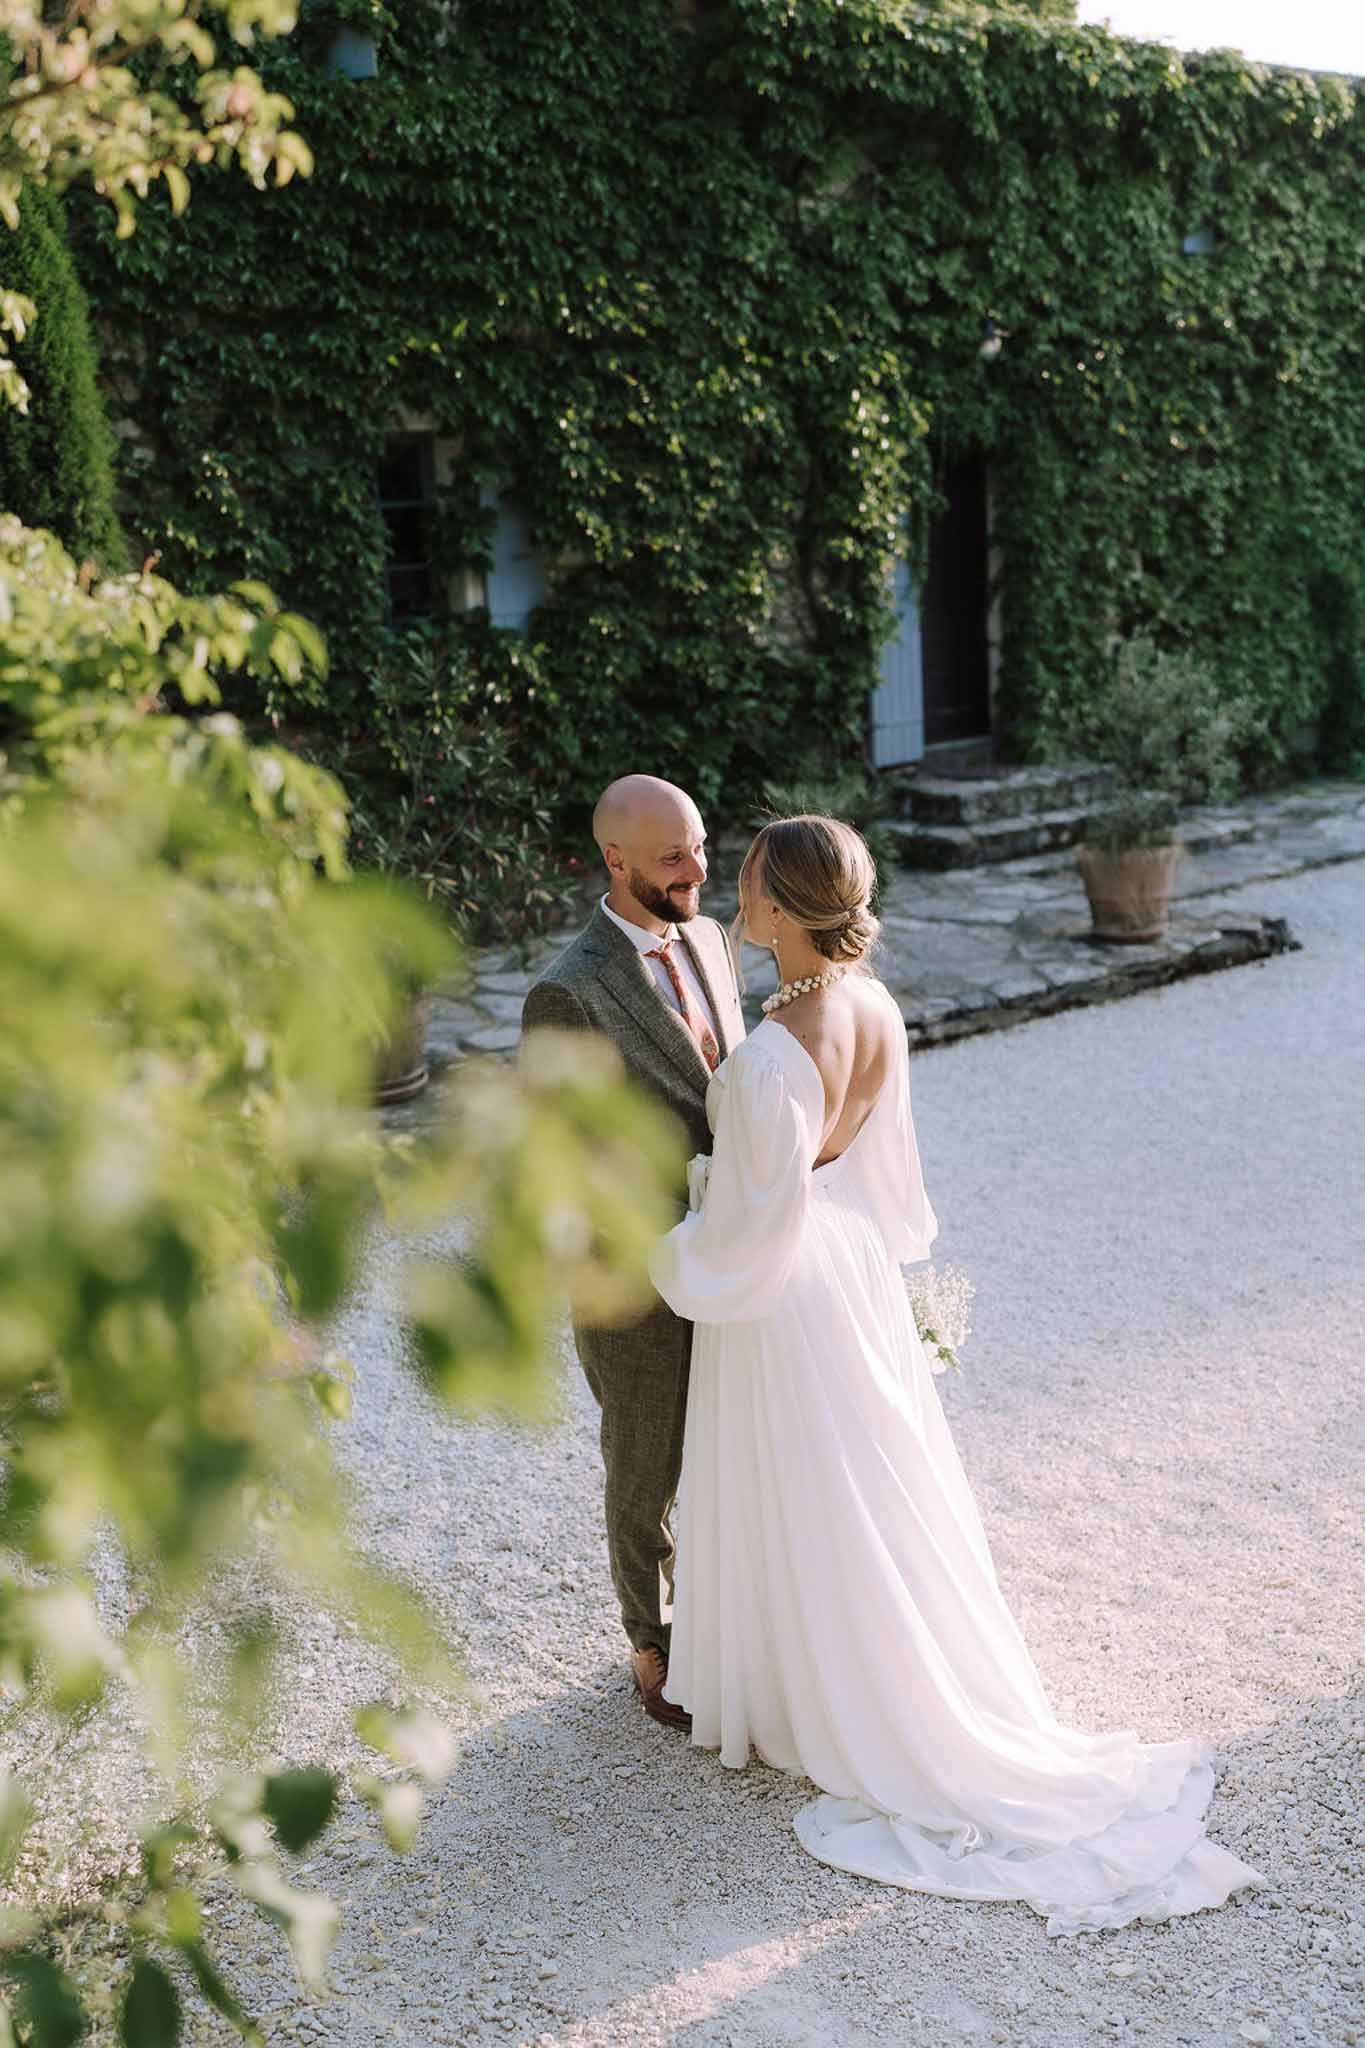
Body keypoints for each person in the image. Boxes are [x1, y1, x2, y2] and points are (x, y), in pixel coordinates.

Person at [647, 813, 1267, 1936]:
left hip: (783, 1290)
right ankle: (842, 1669)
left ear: (783, 906)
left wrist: (670, 1241)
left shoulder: (774, 1051)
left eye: (747, 880)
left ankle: (821, 1694)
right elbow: (885, 1180)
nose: (737, 894)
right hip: (853, 1272)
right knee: (864, 1485)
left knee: (807, 1483)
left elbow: (742, 1237)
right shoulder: (873, 1006)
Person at [520, 774, 745, 1729]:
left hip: (733, 1252)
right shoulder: (566, 993)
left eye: (698, 846)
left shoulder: (707, 936)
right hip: (634, 1272)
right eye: (671, 858)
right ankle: (650, 1645)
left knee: (736, 1444)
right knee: (645, 1462)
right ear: (613, 860)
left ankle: (732, 1622)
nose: (698, 870)